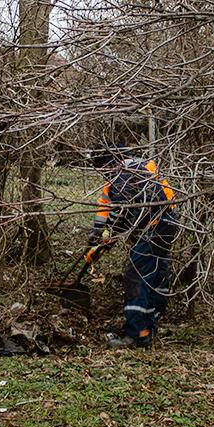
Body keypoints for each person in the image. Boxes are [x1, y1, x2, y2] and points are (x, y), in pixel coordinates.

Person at [88, 146, 178, 349]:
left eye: (103, 168)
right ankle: (148, 328)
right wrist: (98, 229)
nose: (103, 173)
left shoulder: (124, 175)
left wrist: (107, 236)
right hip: (167, 224)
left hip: (154, 226)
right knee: (155, 273)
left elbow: (120, 214)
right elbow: (107, 204)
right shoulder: (134, 166)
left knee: (135, 276)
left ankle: (135, 335)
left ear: (110, 163)